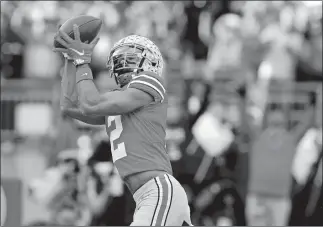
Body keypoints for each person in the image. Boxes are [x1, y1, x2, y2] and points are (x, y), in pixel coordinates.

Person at [53, 25, 192, 226]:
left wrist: (83, 62)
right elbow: (69, 106)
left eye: (134, 55)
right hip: (145, 196)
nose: (124, 58)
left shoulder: (151, 82)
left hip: (158, 190)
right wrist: (70, 60)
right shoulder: (118, 100)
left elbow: (91, 104)